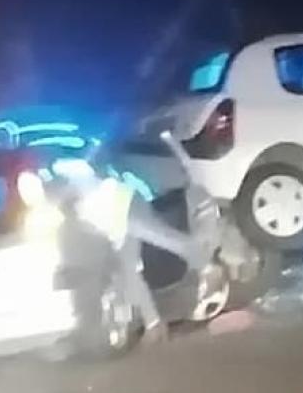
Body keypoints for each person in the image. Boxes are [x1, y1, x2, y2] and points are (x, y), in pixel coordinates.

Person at [69, 147, 227, 344]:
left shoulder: (71, 172)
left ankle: (206, 265)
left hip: (124, 204)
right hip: (117, 224)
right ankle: (153, 323)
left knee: (161, 237)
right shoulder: (80, 213)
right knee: (131, 270)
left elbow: (89, 173)